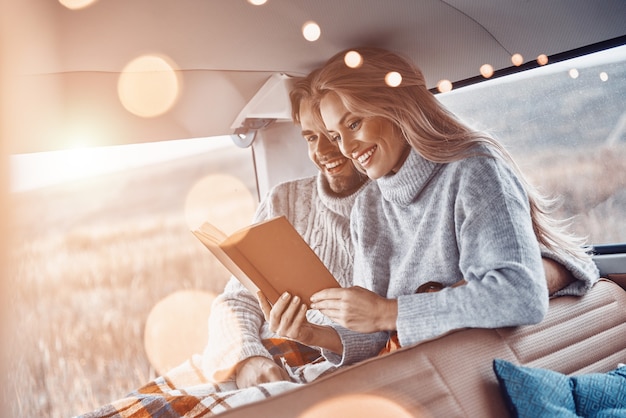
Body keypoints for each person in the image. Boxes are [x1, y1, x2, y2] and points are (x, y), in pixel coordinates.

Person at [260, 47, 600, 367]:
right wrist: (312, 334)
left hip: (473, 369)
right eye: (336, 136)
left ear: (395, 107)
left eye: (353, 124)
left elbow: (519, 295)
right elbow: (375, 328)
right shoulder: (369, 206)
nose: (346, 147)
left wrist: (387, 312)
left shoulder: (472, 169)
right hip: (418, 367)